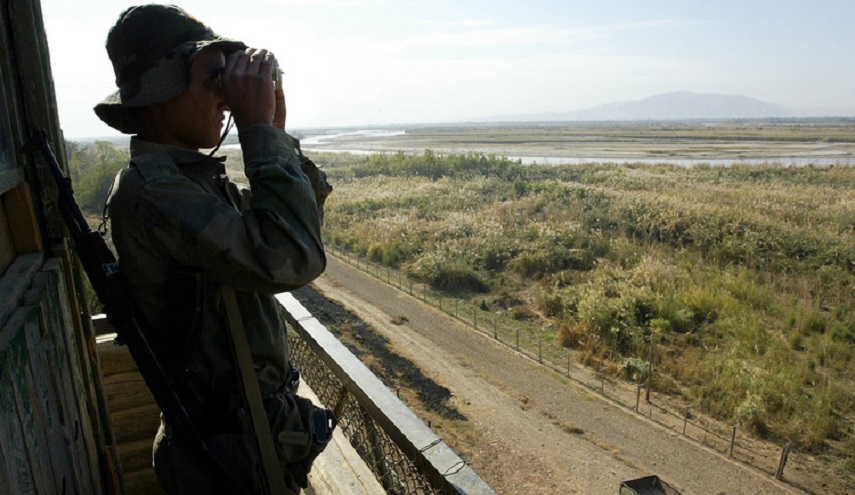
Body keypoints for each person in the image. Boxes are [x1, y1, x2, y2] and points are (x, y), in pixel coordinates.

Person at [94, 4, 332, 494]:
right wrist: (258, 134)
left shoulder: (193, 183)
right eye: (213, 81)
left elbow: (295, 228)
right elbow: (290, 257)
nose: (226, 98)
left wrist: (275, 133)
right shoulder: (155, 192)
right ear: (160, 89)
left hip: (249, 440)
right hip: (225, 452)